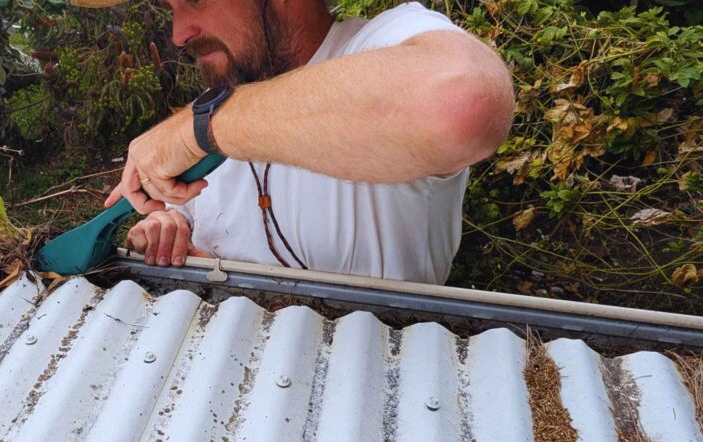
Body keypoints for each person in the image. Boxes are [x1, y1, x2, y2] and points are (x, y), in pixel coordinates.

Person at [77, 0, 515, 284]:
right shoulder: (220, 108)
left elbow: (462, 104)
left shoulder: (381, 42)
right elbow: (185, 212)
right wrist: (167, 229)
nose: (178, 33)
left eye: (192, 0)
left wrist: (198, 128)